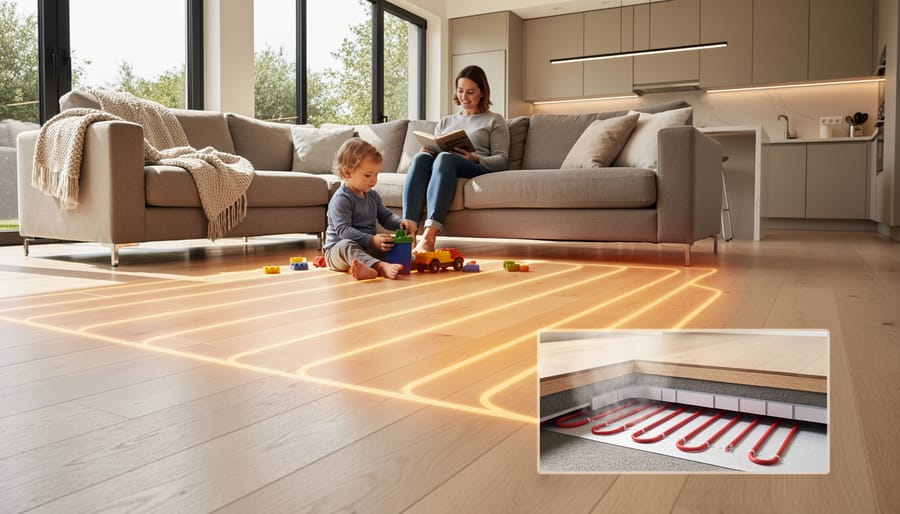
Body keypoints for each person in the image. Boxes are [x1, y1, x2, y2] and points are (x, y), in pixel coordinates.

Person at [402, 65, 510, 253]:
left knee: (445, 158)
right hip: (445, 163)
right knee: (421, 158)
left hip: (475, 166)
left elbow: (502, 160)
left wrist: (474, 158)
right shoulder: (446, 121)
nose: (464, 97)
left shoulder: (494, 120)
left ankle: (429, 237)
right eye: (460, 91)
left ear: (482, 92)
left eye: (470, 92)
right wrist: (427, 150)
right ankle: (409, 231)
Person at [323, 137, 417, 280]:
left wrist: (400, 223)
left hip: (367, 248)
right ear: (347, 173)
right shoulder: (341, 199)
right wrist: (372, 240)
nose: (374, 180)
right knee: (347, 245)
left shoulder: (372, 196)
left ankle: (369, 266)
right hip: (337, 252)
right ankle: (380, 267)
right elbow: (343, 231)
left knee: (389, 244)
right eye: (368, 175)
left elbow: (386, 217)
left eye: (376, 174)